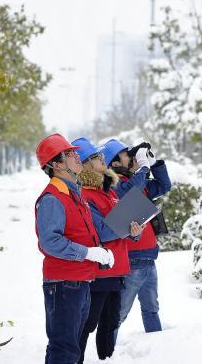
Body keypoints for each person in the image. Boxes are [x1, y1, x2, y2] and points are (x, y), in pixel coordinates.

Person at [34, 133, 115, 364]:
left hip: (80, 282)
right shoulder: (53, 198)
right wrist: (88, 253)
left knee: (72, 349)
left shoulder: (74, 193)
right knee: (65, 350)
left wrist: (99, 250)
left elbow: (83, 233)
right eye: (70, 154)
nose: (77, 157)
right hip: (64, 285)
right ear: (57, 164)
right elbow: (50, 242)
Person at [71, 137, 142, 362]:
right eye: (95, 157)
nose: (102, 159)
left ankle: (107, 359)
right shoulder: (86, 195)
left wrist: (134, 229)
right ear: (85, 165)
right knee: (88, 323)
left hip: (117, 268)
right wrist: (124, 227)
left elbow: (119, 226)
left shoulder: (109, 191)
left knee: (110, 324)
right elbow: (101, 232)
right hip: (99, 272)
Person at [101, 139, 172, 335]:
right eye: (126, 154)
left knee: (151, 310)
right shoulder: (115, 186)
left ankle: (156, 348)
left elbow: (164, 186)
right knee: (120, 313)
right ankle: (107, 353)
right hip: (132, 260)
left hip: (149, 258)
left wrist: (154, 164)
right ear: (114, 164)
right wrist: (143, 168)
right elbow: (129, 191)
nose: (131, 156)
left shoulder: (138, 183)